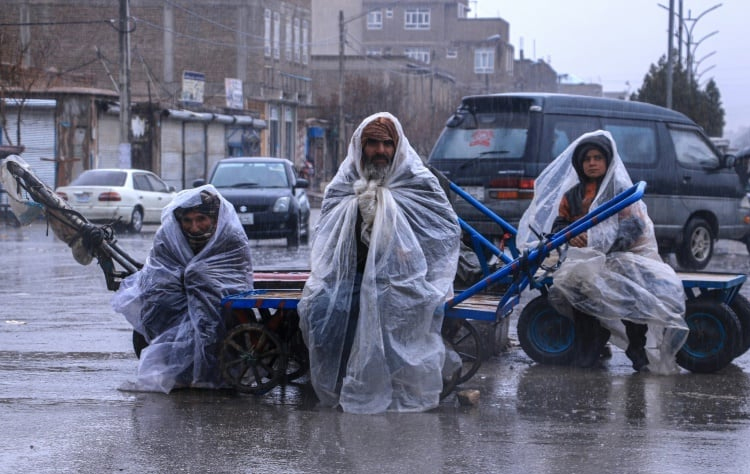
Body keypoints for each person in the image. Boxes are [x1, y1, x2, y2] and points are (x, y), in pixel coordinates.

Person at [297, 112, 462, 414]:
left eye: (387, 143)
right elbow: (325, 239)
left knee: (393, 308)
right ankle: (341, 382)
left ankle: (394, 382)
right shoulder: (343, 183)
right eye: (372, 143)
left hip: (405, 278)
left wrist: (408, 251)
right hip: (352, 277)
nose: (381, 151)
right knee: (322, 309)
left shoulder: (419, 183)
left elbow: (443, 235)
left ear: (397, 146)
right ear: (360, 147)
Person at [517, 130, 688, 374]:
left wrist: (602, 244)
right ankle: (591, 343)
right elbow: (560, 225)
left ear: (607, 161)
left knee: (632, 295)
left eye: (598, 158)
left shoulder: (620, 191)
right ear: (580, 164)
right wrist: (571, 236)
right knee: (578, 291)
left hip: (621, 256)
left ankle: (636, 349)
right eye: (587, 159)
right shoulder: (573, 195)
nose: (592, 163)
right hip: (584, 260)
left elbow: (634, 227)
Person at [111, 185, 254, 392]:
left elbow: (235, 273)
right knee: (155, 301)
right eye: (187, 221)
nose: (194, 227)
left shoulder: (230, 236)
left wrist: (197, 277)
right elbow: (159, 270)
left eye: (201, 220)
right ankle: (178, 369)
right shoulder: (168, 235)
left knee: (213, 313)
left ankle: (211, 369)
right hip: (177, 293)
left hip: (218, 295)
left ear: (214, 219)